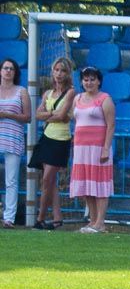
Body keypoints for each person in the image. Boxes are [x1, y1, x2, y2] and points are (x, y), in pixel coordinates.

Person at [30, 57, 76, 230]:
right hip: (47, 137)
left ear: (68, 73)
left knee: (48, 178)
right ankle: (57, 218)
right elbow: (38, 114)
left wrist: (49, 114)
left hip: (61, 139)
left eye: (63, 70)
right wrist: (53, 113)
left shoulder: (71, 92)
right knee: (50, 181)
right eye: (56, 70)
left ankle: (40, 218)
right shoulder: (47, 94)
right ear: (52, 71)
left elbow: (63, 116)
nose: (59, 74)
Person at [69, 66, 115, 233]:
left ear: (99, 81)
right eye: (86, 79)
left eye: (92, 79)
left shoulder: (105, 99)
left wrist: (105, 148)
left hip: (98, 148)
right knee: (87, 184)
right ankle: (92, 220)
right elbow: (75, 121)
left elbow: (111, 126)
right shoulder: (77, 98)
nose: (89, 82)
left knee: (100, 184)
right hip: (81, 148)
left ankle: (100, 222)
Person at [0, 58, 30, 228]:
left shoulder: (21, 91)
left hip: (13, 138)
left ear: (15, 72)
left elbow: (27, 117)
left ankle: (9, 217)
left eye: (11, 68)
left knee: (11, 180)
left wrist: (8, 115)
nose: (8, 71)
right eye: (5, 68)